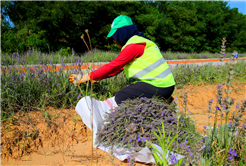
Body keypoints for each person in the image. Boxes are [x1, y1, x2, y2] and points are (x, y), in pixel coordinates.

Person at [69, 15, 176, 105]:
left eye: (115, 36)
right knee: (130, 91)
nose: (115, 41)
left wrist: (86, 77)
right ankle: (166, 101)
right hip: (163, 84)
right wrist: (96, 77)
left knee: (121, 96)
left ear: (122, 33)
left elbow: (113, 66)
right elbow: (117, 68)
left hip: (159, 85)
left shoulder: (134, 46)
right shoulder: (140, 41)